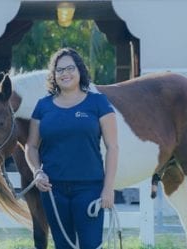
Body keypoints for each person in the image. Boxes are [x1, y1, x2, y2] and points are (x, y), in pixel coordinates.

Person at [25, 48, 119, 249]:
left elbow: (113, 147)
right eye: (59, 70)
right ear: (53, 75)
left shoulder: (98, 102)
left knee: (90, 245)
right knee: (63, 245)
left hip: (89, 189)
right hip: (53, 190)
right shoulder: (43, 106)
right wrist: (37, 171)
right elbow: (31, 146)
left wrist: (108, 189)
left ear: (80, 71)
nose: (65, 74)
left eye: (70, 68)